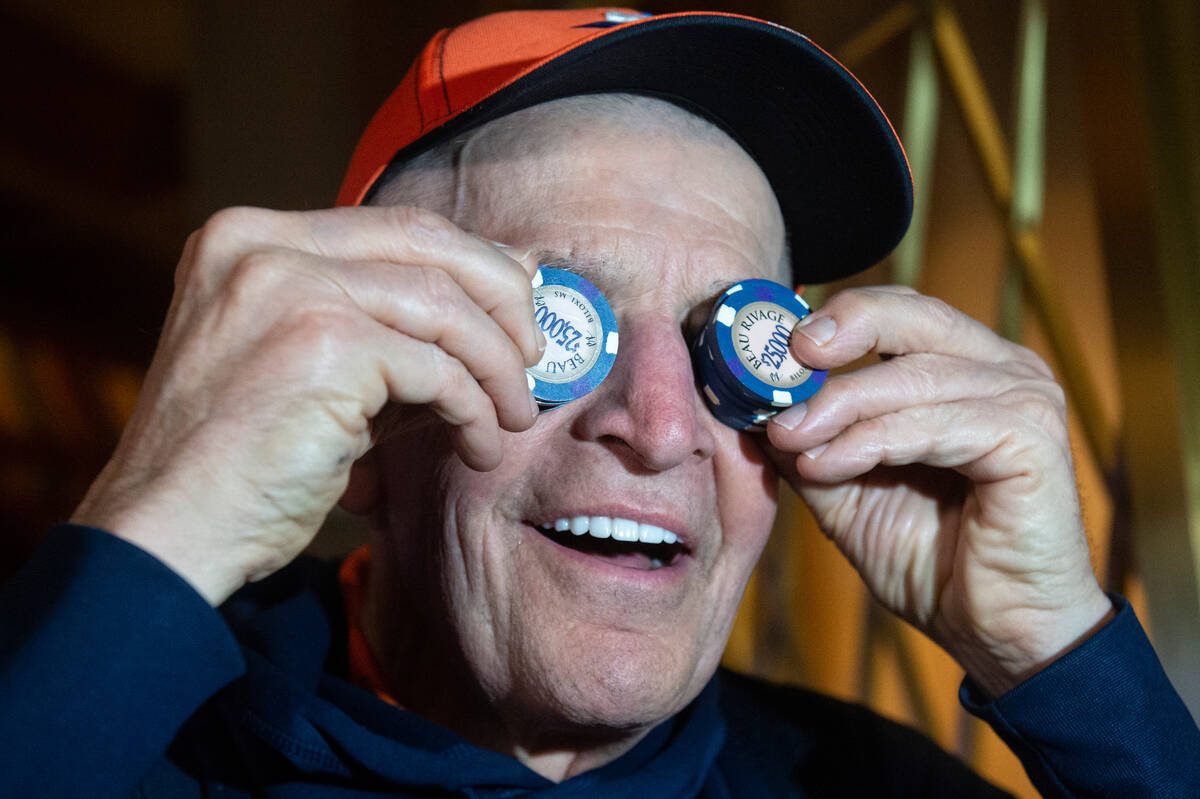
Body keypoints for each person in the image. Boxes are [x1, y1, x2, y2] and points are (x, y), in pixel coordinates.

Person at [1, 8, 1197, 798]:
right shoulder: (119, 733)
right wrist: (154, 533)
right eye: (557, 328)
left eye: (737, 342)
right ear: (363, 422)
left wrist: (1063, 653)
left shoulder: (869, 782)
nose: (664, 424)